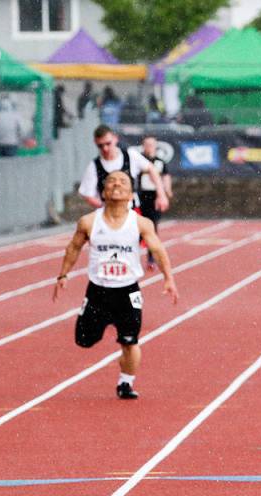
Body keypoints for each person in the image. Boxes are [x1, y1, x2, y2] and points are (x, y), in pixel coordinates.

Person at [52, 170, 179, 399]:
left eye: (123, 182)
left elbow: (158, 250)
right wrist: (63, 275)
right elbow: (73, 248)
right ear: (103, 192)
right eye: (111, 182)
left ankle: (125, 383)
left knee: (130, 342)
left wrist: (168, 278)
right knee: (84, 340)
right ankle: (109, 335)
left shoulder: (141, 223)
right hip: (98, 291)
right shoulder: (89, 222)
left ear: (131, 194)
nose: (116, 185)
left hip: (128, 291)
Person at [78, 125, 169, 214]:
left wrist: (161, 195)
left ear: (115, 139)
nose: (105, 148)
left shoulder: (130, 155)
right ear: (95, 143)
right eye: (100, 146)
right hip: (108, 214)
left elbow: (151, 169)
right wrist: (106, 207)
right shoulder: (94, 166)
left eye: (108, 143)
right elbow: (87, 194)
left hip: (132, 210)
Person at [137, 136, 173, 268]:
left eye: (151, 144)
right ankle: (133, 256)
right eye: (147, 144)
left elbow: (166, 176)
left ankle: (151, 258)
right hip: (140, 197)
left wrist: (166, 191)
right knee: (137, 228)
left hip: (155, 197)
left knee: (152, 227)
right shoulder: (138, 160)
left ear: (155, 145)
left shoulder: (160, 162)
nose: (149, 147)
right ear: (143, 145)